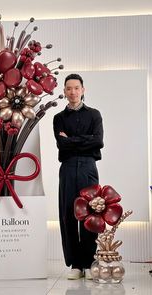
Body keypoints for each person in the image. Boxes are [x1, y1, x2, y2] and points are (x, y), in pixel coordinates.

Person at [53, 73, 104, 280]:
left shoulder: (94, 115)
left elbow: (98, 141)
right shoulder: (59, 118)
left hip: (88, 168)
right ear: (64, 92)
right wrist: (85, 140)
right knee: (68, 214)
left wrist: (72, 140)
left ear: (83, 90)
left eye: (76, 88)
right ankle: (75, 264)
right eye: (68, 88)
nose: (72, 92)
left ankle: (89, 262)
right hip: (68, 168)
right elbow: (61, 144)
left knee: (90, 214)